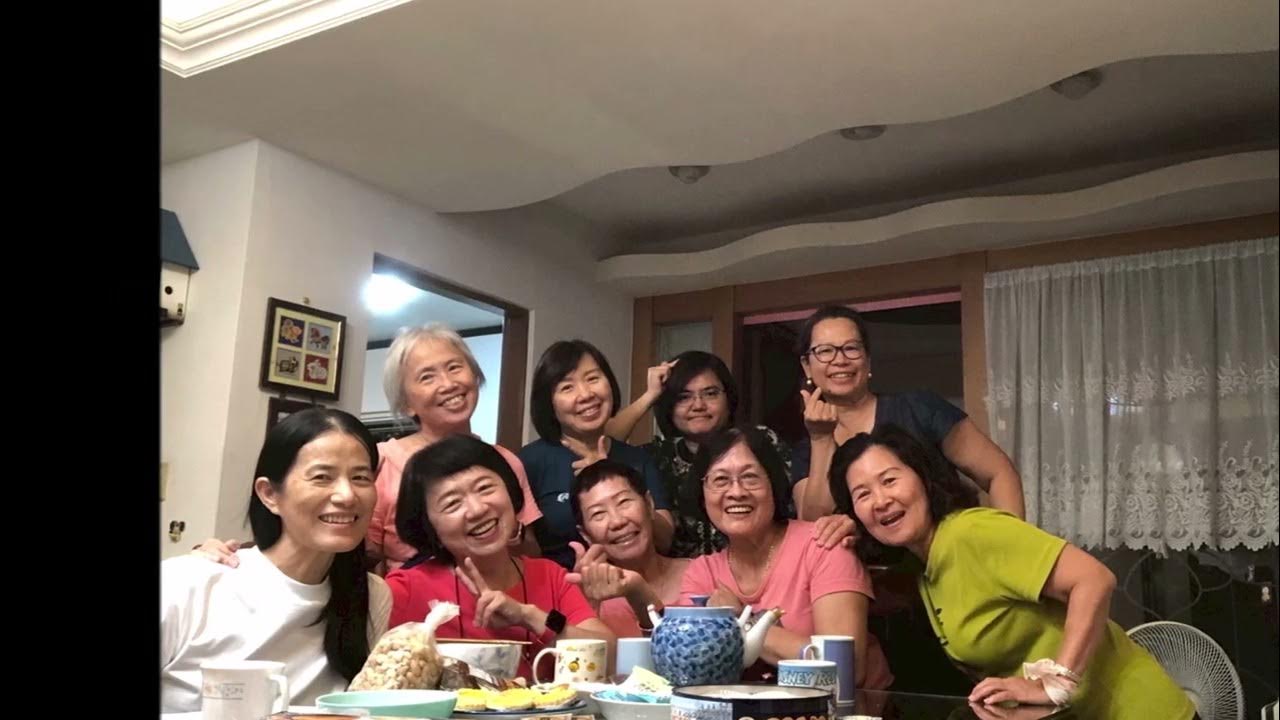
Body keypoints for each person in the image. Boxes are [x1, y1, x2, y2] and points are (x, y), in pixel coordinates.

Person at [835, 425, 1195, 718]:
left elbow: (1094, 579)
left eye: (890, 480)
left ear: (924, 479)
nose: (880, 500)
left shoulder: (972, 533)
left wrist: (1057, 682)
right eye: (862, 494)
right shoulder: (924, 566)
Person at [192, 323, 542, 573]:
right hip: (405, 618)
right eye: (427, 376)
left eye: (455, 368)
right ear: (405, 403)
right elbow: (333, 548)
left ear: (475, 376)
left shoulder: (506, 461)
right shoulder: (376, 463)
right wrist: (232, 558)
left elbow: (528, 554)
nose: (448, 383)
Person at [161, 409, 393, 711]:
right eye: (322, 477)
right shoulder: (187, 584)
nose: (346, 495)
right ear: (269, 494)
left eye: (360, 477)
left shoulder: (371, 595)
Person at [677, 427, 893, 689]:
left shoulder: (823, 544)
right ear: (702, 494)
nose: (736, 492)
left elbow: (844, 667)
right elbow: (691, 667)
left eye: (750, 477)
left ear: (774, 484)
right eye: (720, 480)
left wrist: (739, 620)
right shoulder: (702, 574)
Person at [384, 434, 614, 679]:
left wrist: (530, 616)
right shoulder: (405, 590)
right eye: (452, 503)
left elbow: (609, 655)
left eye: (485, 488)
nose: (477, 509)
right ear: (429, 528)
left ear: (511, 493)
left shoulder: (550, 576)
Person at [788, 305, 1023, 521]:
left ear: (868, 360)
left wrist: (1010, 544)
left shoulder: (919, 408)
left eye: (851, 348)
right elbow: (813, 525)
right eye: (825, 351)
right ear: (807, 366)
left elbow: (999, 472)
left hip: (949, 550)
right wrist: (821, 439)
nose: (840, 360)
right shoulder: (806, 448)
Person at [606, 351, 804, 558]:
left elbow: (793, 509)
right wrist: (649, 396)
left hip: (762, 565)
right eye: (684, 397)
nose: (698, 405)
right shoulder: (657, 456)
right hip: (683, 574)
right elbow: (601, 441)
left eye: (710, 394)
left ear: (728, 399)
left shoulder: (759, 441)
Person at [519, 340, 674, 569]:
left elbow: (665, 541)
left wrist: (614, 480)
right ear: (548, 403)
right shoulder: (529, 462)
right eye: (567, 387)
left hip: (635, 586)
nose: (585, 394)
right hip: (560, 587)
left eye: (593, 378)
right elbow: (521, 554)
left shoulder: (636, 458)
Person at [564, 459, 691, 637]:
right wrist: (584, 608)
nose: (617, 521)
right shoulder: (592, 598)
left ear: (649, 504)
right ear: (585, 535)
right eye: (598, 513)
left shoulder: (702, 574)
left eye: (624, 502)